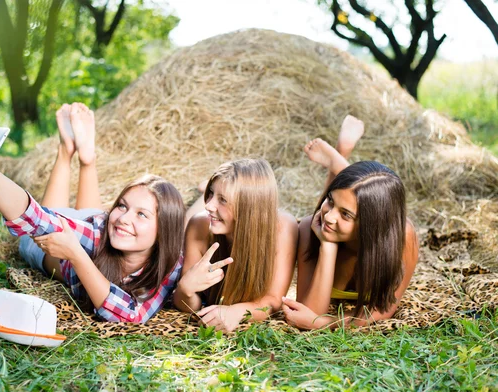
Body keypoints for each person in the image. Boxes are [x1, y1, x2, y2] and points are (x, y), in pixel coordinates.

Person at [0, 103, 185, 323]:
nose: (124, 217)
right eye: (122, 205)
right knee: (54, 223)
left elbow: (131, 315)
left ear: (164, 232)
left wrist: (77, 255)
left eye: (142, 214)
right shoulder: (99, 233)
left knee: (90, 222)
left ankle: (82, 157)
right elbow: (36, 219)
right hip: (51, 243)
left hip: (84, 232)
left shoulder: (170, 262)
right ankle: (68, 152)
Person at [282, 116, 419, 330]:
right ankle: (340, 161)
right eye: (330, 201)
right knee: (346, 196)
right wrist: (327, 247)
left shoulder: (403, 237)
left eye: (345, 215)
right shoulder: (310, 229)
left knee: (359, 196)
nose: (328, 217)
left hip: (373, 222)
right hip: (348, 221)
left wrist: (326, 323)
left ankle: (340, 161)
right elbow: (309, 312)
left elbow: (384, 309)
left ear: (372, 226)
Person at [173, 158, 299, 333]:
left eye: (222, 199)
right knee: (187, 220)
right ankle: (201, 193)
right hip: (202, 225)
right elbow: (187, 302)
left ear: (249, 207)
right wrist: (186, 289)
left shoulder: (283, 227)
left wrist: (237, 312)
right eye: (210, 193)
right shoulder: (199, 224)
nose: (209, 205)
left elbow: (273, 300)